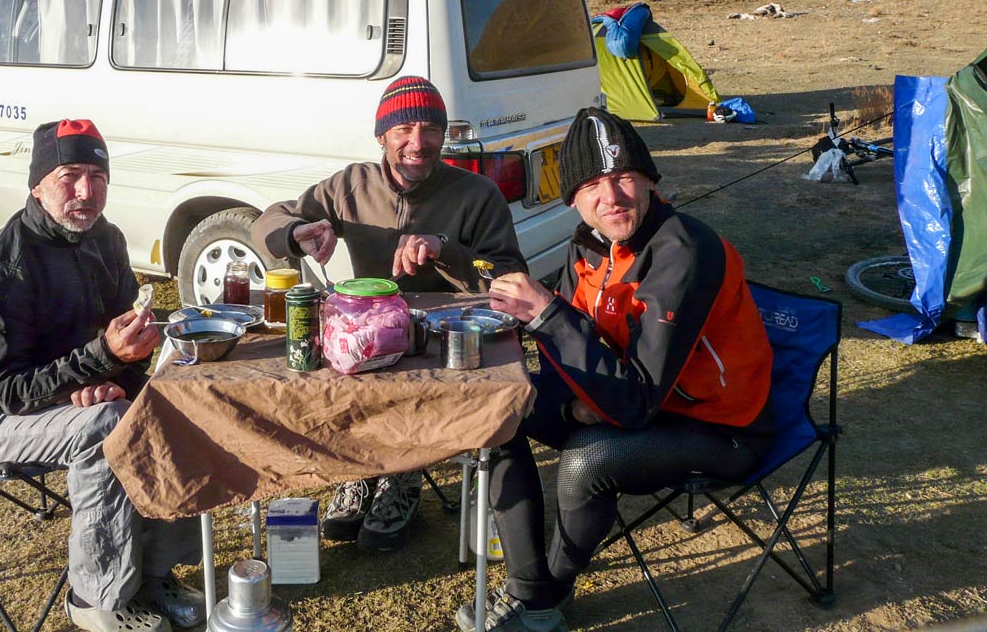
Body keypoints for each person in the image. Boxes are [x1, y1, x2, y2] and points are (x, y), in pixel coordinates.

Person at [453, 107, 775, 632]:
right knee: (497, 408)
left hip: (721, 428)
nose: (613, 196)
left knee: (588, 460)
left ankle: (543, 602)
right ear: (575, 199)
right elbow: (570, 359)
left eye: (625, 177)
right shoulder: (588, 248)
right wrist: (564, 391)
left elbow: (633, 403)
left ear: (649, 181)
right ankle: (531, 587)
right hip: (637, 401)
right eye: (594, 184)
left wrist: (548, 316)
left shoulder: (682, 252)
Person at [0, 119, 205, 632]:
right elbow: (8, 391)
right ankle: (96, 598)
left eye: (97, 175)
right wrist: (99, 361)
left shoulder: (106, 240)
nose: (86, 191)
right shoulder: (1, 264)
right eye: (69, 175)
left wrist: (118, 376)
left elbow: (123, 348)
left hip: (68, 402)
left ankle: (154, 574)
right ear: (37, 184)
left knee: (173, 401)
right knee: (106, 426)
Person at [253, 75, 527, 551]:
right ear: (381, 136)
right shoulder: (350, 186)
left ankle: (402, 479)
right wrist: (296, 232)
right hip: (364, 331)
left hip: (442, 339)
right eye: (403, 130)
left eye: (429, 130)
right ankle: (359, 473)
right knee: (336, 370)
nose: (417, 143)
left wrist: (446, 250)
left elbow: (506, 271)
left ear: (444, 136)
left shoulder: (476, 193)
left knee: (411, 383)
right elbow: (268, 220)